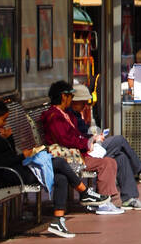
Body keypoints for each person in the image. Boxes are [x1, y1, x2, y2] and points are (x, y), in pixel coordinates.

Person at [0, 99, 103, 238]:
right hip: (11, 174)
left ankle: (58, 221)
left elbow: (9, 153)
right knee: (60, 163)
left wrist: (9, 138)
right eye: (3, 119)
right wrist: (23, 156)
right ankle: (84, 193)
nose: (5, 123)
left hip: (17, 169)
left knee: (60, 178)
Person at [70, 84, 141, 207]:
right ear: (73, 101)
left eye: (85, 102)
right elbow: (75, 138)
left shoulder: (77, 115)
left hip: (89, 148)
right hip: (85, 152)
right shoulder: (70, 116)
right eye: (81, 102)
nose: (85, 105)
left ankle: (129, 198)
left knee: (121, 157)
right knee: (119, 140)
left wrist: (93, 137)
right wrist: (93, 139)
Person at [40, 81, 123, 214]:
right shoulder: (54, 117)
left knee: (112, 159)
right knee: (107, 163)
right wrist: (86, 143)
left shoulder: (65, 114)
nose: (71, 100)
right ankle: (104, 204)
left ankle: (107, 200)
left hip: (76, 153)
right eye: (70, 97)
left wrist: (89, 140)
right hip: (68, 157)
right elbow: (65, 139)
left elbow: (76, 135)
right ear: (63, 96)